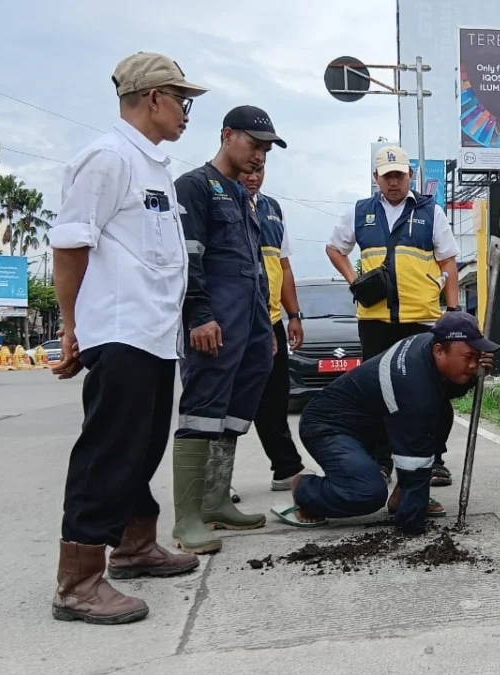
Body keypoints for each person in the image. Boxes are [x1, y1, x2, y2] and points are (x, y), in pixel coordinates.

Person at [48, 51, 208, 625]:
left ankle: (136, 546)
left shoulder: (153, 166)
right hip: (119, 330)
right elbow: (69, 245)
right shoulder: (108, 158)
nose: (187, 112)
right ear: (154, 99)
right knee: (109, 450)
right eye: (183, 101)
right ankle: (78, 581)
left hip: (153, 332)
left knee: (141, 447)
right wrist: (71, 328)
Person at [170, 105, 287, 554]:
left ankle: (217, 501)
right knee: (202, 409)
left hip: (250, 323)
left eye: (265, 150)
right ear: (226, 136)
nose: (259, 156)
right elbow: (188, 258)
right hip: (214, 321)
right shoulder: (195, 186)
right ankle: (188, 519)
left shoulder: (242, 195)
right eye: (253, 145)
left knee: (235, 410)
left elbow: (255, 265)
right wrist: (198, 314)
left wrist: (264, 331)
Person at [270, 312, 497, 533]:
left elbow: (444, 390)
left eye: (477, 357)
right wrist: (412, 522)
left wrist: (473, 376)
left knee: (440, 411)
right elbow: (415, 458)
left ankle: (401, 496)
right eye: (468, 358)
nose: (472, 365)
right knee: (367, 493)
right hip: (328, 426)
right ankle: (305, 489)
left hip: (373, 422)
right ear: (439, 351)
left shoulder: (432, 343)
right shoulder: (412, 383)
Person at [324, 145, 462, 488]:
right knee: (379, 395)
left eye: (400, 175)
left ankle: (433, 460)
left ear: (410, 175)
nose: (394, 182)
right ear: (376, 178)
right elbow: (334, 248)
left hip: (423, 320)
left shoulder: (431, 211)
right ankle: (382, 460)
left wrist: (454, 310)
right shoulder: (361, 212)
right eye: (387, 176)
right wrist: (354, 280)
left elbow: (448, 261)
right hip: (375, 322)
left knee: (432, 394)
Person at [241, 163, 308, 491]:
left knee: (275, 399)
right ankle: (215, 482)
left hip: (272, 321)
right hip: (235, 323)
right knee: (227, 402)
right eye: (248, 170)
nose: (254, 177)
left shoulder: (272, 209)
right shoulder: (218, 202)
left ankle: (285, 468)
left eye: (260, 170)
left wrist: (293, 314)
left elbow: (283, 266)